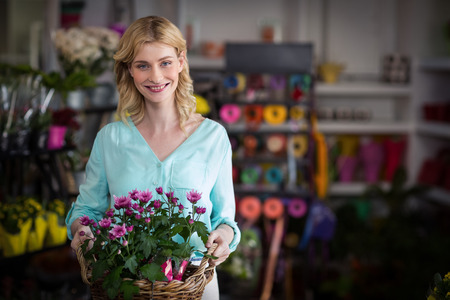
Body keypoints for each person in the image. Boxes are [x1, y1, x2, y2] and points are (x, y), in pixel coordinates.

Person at [65, 15, 241, 299]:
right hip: (125, 283)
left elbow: (225, 219)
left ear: (181, 61)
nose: (156, 77)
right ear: (129, 70)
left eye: (165, 62)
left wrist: (224, 237)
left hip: (194, 284)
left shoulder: (213, 137)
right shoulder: (110, 139)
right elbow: (86, 211)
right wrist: (82, 231)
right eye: (143, 65)